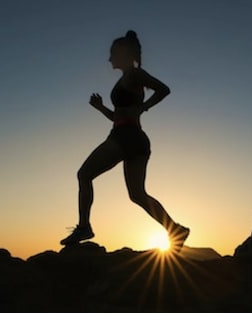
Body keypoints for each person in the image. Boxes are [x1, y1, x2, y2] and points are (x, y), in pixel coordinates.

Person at [60, 30, 190, 252]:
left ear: (123, 53)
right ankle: (176, 229)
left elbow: (164, 89)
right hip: (135, 138)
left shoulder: (134, 74)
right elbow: (119, 117)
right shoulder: (127, 78)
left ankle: (84, 227)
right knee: (137, 195)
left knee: (84, 174)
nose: (109, 58)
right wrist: (101, 108)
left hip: (126, 137)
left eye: (112, 54)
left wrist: (144, 106)